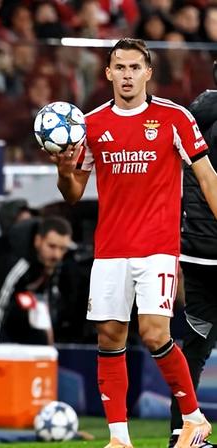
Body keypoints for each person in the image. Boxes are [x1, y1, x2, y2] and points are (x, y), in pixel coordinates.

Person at [53, 38, 217, 448]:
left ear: (148, 73)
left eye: (134, 67)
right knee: (109, 336)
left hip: (158, 246)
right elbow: (72, 194)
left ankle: (195, 419)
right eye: (119, 67)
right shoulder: (89, 125)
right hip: (110, 248)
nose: (127, 75)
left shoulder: (174, 118)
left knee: (155, 332)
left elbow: (208, 177)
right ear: (108, 73)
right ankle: (119, 438)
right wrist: (62, 167)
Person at [169, 61, 217, 448]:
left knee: (196, 348)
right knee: (196, 348)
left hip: (197, 249)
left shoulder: (193, 117)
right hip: (209, 245)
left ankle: (179, 435)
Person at [0, 216, 73, 346]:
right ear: (38, 240)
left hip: (2, 293)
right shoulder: (16, 261)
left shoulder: (48, 260)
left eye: (63, 249)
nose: (57, 255)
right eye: (52, 246)